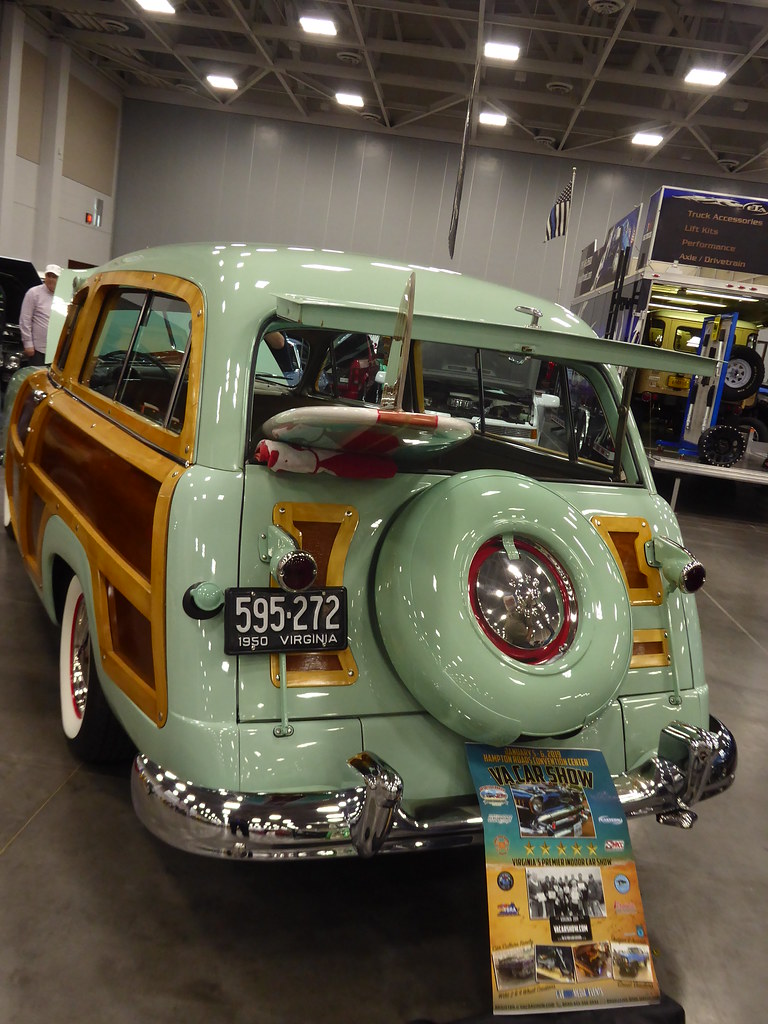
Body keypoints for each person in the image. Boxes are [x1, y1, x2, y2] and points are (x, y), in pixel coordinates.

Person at [19, 263, 60, 366]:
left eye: (54, 276)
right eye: (48, 276)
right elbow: (25, 319)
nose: (51, 279)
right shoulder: (33, 293)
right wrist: (28, 344)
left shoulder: (62, 296)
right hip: (37, 349)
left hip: (57, 350)